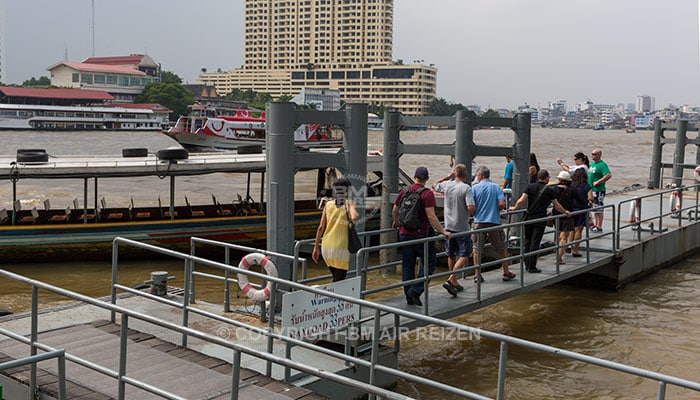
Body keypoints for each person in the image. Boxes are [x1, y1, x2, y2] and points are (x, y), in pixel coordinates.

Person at [392, 167, 452, 306]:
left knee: (407, 266)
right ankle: (416, 290)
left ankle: (409, 297)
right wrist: (443, 231)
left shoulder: (404, 191)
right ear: (426, 179)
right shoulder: (427, 194)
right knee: (429, 262)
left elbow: (395, 210)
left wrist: (397, 222)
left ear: (414, 176)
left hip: (404, 234)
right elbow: (431, 216)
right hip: (421, 235)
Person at [508, 169, 571, 273]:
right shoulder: (549, 190)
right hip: (540, 219)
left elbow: (521, 200)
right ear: (546, 178)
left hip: (528, 218)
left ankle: (526, 262)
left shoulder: (530, 186)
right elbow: (556, 205)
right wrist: (565, 212)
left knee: (527, 241)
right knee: (535, 242)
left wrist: (514, 208)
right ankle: (532, 266)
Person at [432, 163, 475, 296]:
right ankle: (451, 279)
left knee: (451, 253)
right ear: (466, 175)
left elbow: (434, 185)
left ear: (455, 174)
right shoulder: (466, 188)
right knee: (465, 253)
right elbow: (470, 208)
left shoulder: (447, 185)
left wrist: (447, 177)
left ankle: (454, 281)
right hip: (462, 226)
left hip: (448, 226)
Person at [471, 165, 516, 282]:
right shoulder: (496, 187)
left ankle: (477, 274)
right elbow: (502, 204)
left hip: (479, 221)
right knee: (502, 247)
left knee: (477, 249)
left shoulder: (474, 188)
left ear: (480, 176)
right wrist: (494, 207)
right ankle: (506, 272)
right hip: (494, 221)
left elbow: (471, 207)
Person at [312, 177, 358, 282]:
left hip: (326, 247)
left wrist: (316, 247)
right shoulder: (348, 203)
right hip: (340, 247)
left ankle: (329, 296)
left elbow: (320, 228)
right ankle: (332, 297)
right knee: (339, 281)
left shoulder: (328, 205)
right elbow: (354, 217)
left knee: (336, 278)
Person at [551, 171, 586, 264]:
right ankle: (559, 258)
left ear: (559, 179)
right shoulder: (572, 189)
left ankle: (558, 254)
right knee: (564, 238)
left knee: (559, 235)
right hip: (568, 214)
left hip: (556, 214)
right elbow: (581, 201)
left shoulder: (554, 189)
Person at [569, 168, 594, 257]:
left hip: (571, 209)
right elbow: (591, 198)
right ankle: (575, 250)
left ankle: (569, 244)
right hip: (581, 209)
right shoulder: (586, 186)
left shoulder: (571, 185)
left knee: (571, 228)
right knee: (578, 230)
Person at [588, 148, 612, 232]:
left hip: (598, 190)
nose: (592, 156)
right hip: (591, 190)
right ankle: (594, 224)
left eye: (594, 154)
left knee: (598, 208)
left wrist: (598, 182)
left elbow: (608, 175)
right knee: (593, 208)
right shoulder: (592, 164)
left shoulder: (602, 165)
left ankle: (599, 226)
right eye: (592, 154)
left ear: (599, 155)